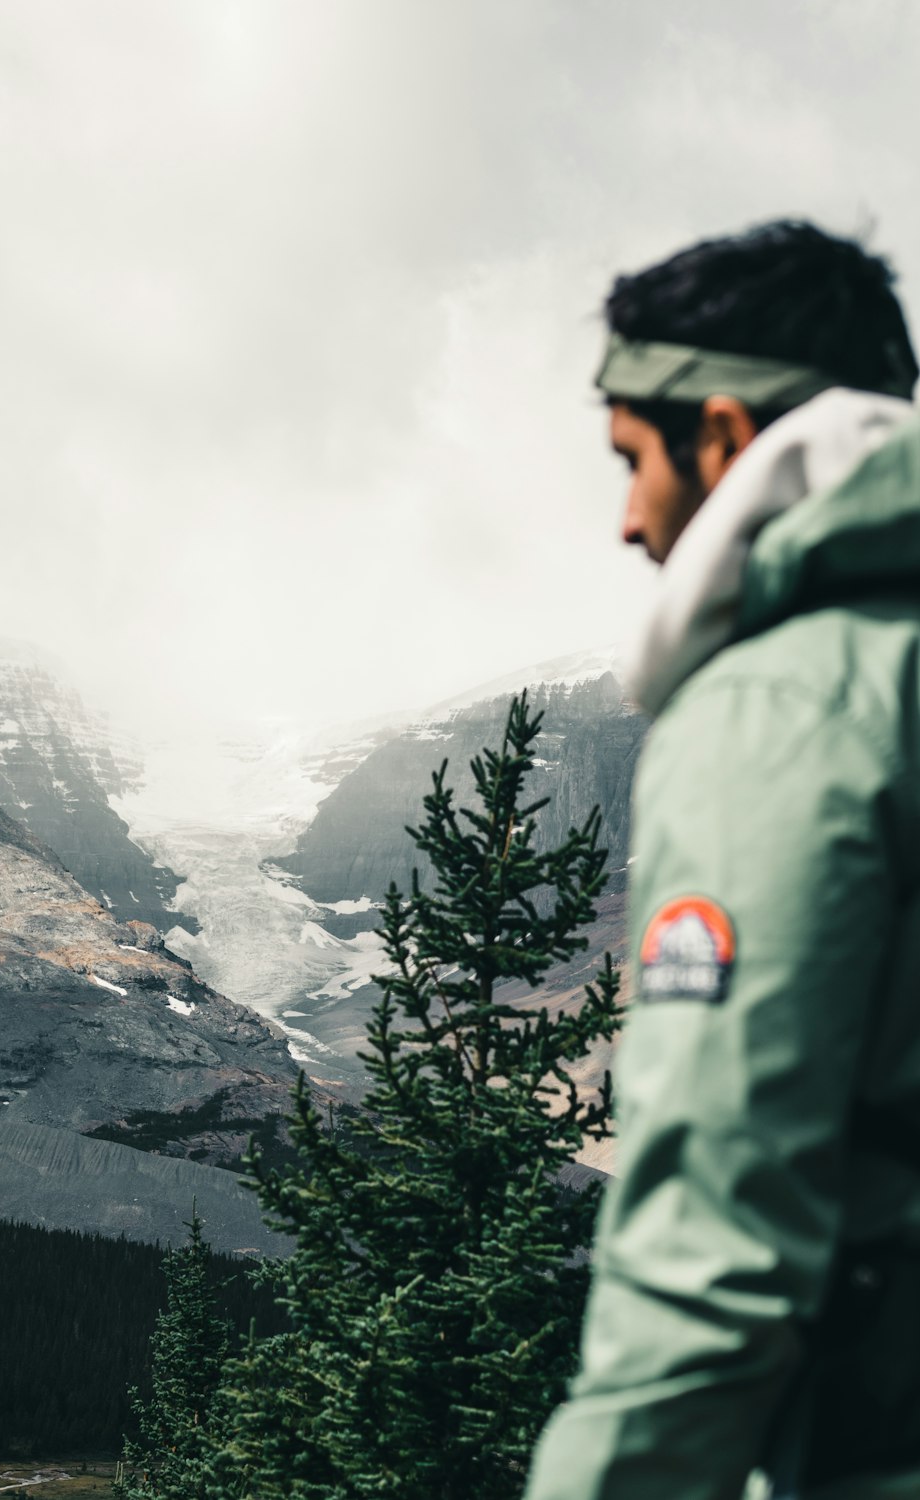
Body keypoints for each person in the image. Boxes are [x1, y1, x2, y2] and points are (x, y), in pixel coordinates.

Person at [524, 220, 920, 1500]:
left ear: (727, 438)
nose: (629, 522)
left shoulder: (785, 706)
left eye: (632, 461)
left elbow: (719, 1230)